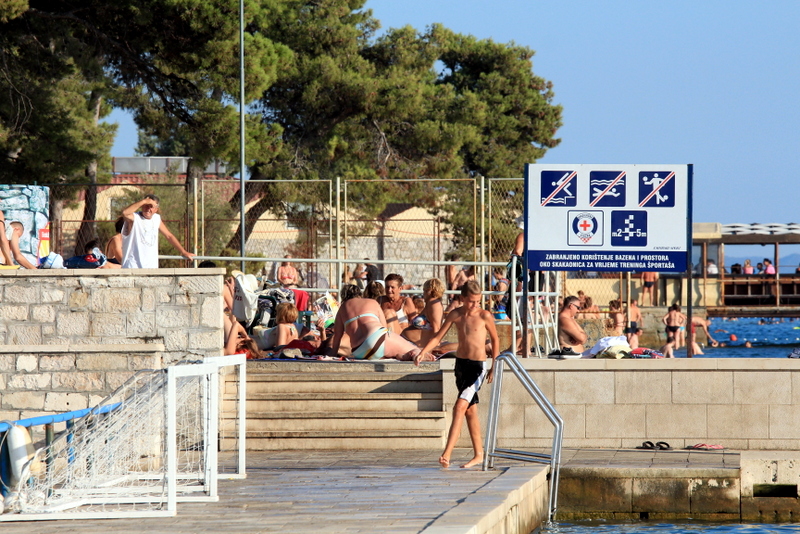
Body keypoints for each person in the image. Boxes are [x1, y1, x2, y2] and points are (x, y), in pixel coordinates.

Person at [414, 281, 498, 469]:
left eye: (478, 301)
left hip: (477, 368)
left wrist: (494, 365)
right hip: (461, 366)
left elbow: (495, 339)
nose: (475, 305)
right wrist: (422, 352)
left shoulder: (484, 315)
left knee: (459, 407)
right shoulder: (455, 314)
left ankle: (446, 454)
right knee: (470, 410)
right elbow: (437, 337)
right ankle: (479, 454)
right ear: (462, 298)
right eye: (472, 301)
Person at [329, 286, 421, 361]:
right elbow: (384, 327)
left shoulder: (342, 308)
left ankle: (397, 355)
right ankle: (409, 355)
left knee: (378, 352)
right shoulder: (372, 302)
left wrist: (332, 356)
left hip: (358, 351)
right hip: (376, 337)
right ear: (360, 294)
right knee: (417, 350)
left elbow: (337, 336)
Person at [121, 195, 195, 268]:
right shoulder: (135, 217)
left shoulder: (156, 218)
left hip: (151, 266)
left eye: (151, 206)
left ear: (156, 209)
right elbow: (125, 213)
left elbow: (169, 236)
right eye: (146, 205)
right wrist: (144, 201)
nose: (148, 209)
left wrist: (183, 252)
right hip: (133, 266)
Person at [402, 278, 445, 347]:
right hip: (410, 343)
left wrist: (435, 345)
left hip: (414, 344)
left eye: (424, 291)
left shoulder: (434, 304)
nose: (423, 294)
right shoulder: (430, 304)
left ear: (429, 291)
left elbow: (436, 328)